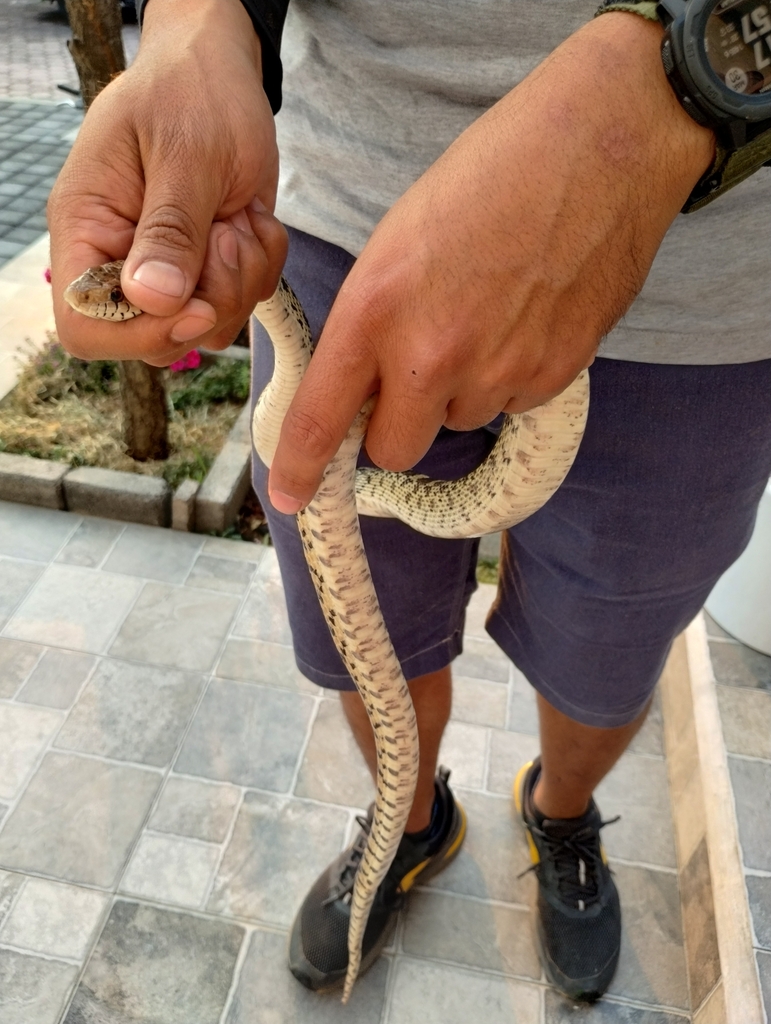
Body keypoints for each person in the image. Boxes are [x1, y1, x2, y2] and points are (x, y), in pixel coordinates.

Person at [48, 0, 771, 1004]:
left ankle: (562, 815)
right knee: (361, 621)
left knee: (609, 650)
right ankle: (415, 816)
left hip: (711, 286)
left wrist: (686, 76)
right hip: (345, 221)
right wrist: (196, 21)